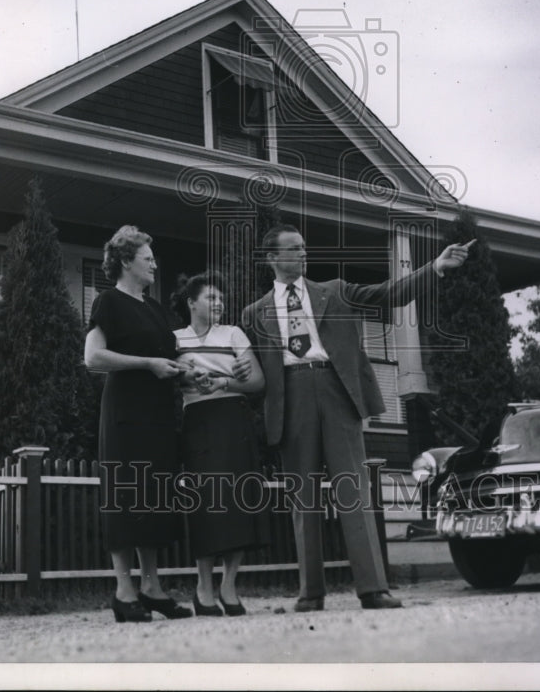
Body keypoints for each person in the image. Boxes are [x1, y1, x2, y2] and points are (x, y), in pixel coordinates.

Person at [241, 223, 474, 612]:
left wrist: (435, 266)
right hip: (291, 398)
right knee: (304, 500)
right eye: (294, 249)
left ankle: (373, 589)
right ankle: (310, 593)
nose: (302, 254)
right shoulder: (254, 313)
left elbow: (388, 294)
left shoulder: (334, 290)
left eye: (304, 247)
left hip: (336, 392)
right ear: (272, 258)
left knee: (354, 491)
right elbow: (253, 369)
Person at [84, 225, 193, 623]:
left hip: (159, 414)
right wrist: (148, 364)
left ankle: (151, 587)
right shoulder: (108, 302)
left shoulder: (155, 308)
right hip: (126, 414)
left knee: (155, 499)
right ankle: (123, 590)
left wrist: (185, 372)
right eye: (147, 258)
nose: (154, 264)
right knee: (126, 497)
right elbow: (94, 359)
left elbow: (164, 358)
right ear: (126, 261)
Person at [171, 273, 269, 616]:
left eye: (221, 299)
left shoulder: (233, 334)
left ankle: (228, 585)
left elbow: (257, 381)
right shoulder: (174, 339)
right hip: (198, 422)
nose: (219, 304)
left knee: (238, 503)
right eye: (211, 298)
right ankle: (203, 587)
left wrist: (225, 382)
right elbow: (169, 378)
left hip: (233, 419)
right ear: (191, 302)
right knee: (207, 505)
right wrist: (186, 376)